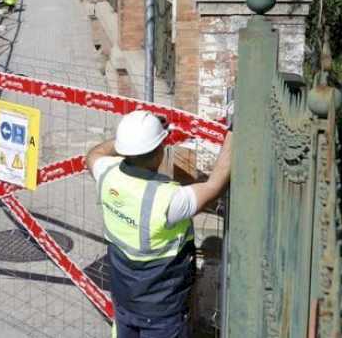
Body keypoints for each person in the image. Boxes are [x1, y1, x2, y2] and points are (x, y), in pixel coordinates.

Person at [86, 112, 233, 338]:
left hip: (124, 299)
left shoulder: (105, 173)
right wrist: (234, 132)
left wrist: (131, 139)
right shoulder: (167, 200)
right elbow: (215, 186)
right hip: (162, 312)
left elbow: (95, 153)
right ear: (158, 154)